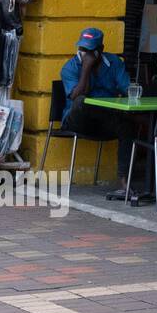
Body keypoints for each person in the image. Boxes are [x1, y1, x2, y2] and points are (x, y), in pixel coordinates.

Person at [60, 27, 135, 191]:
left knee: (127, 126)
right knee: (81, 102)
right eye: (82, 49)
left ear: (100, 50)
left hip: (104, 120)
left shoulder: (114, 63)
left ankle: (124, 180)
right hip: (78, 121)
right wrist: (86, 68)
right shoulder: (70, 67)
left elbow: (126, 89)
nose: (84, 53)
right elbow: (75, 96)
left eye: (89, 50)